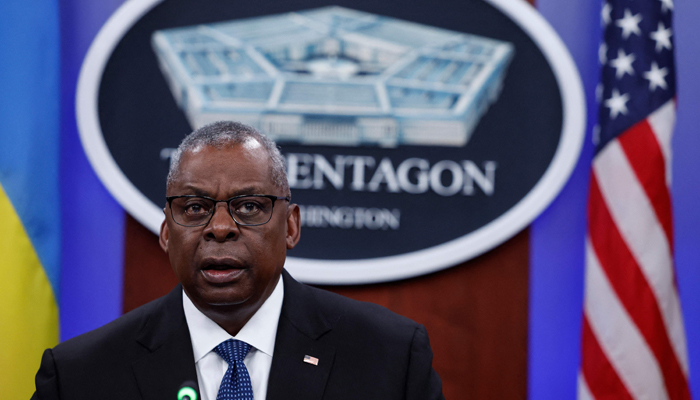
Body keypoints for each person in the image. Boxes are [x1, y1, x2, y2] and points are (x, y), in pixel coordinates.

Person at [32, 121, 445, 400]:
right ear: (165, 231)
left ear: (291, 227)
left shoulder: (389, 358)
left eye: (249, 206)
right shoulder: (80, 377)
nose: (221, 227)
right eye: (195, 207)